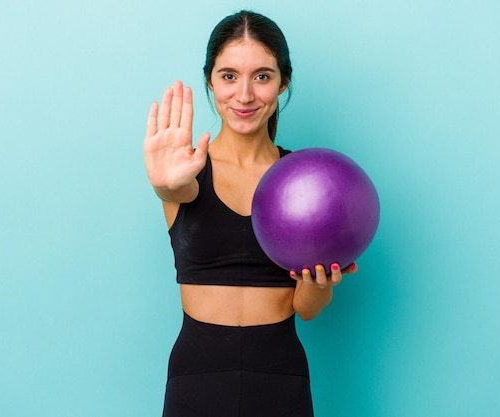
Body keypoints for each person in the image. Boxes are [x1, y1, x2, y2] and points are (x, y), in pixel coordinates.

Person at [143, 10, 357, 417]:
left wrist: (321, 281)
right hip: (197, 373)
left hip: (279, 372)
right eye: (228, 76)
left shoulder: (305, 182)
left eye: (261, 76)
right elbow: (175, 188)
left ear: (282, 82)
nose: (244, 95)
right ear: (209, 80)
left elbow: (307, 309)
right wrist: (164, 182)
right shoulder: (184, 171)